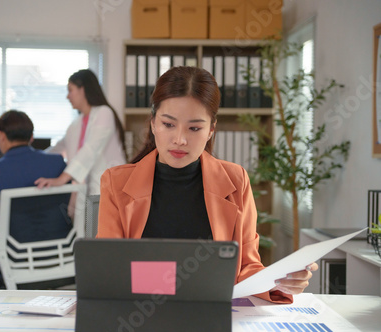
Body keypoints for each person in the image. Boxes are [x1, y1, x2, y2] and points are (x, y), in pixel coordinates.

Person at [96, 66, 318, 303]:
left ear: (211, 130)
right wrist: (190, 280)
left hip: (212, 313)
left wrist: (279, 282)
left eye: (194, 128)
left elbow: (247, 266)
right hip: (138, 311)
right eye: (168, 124)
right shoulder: (116, 182)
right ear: (153, 123)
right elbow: (110, 270)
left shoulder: (236, 180)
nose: (180, 139)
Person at [0, 110, 67, 288]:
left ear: (1, 136)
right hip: (60, 263)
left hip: (12, 268)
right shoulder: (58, 164)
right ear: (31, 137)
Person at [35, 69, 127, 195]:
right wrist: (31, 157)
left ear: (83, 89)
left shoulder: (104, 113)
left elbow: (90, 149)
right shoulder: (76, 124)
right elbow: (58, 149)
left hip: (112, 188)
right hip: (90, 191)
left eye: (70, 90)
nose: (67, 96)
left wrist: (62, 179)